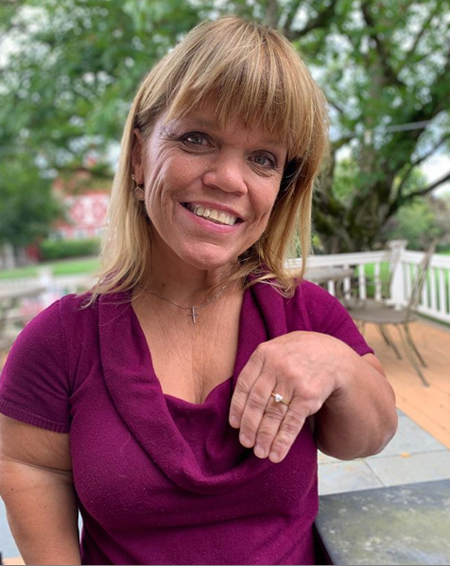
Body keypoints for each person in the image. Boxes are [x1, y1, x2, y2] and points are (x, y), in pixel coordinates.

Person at [0, 16, 397, 566]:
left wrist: (338, 365)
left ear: (281, 188)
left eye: (263, 158)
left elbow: (367, 439)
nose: (230, 179)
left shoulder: (306, 313)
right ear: (139, 157)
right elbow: (31, 466)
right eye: (196, 138)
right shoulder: (59, 341)